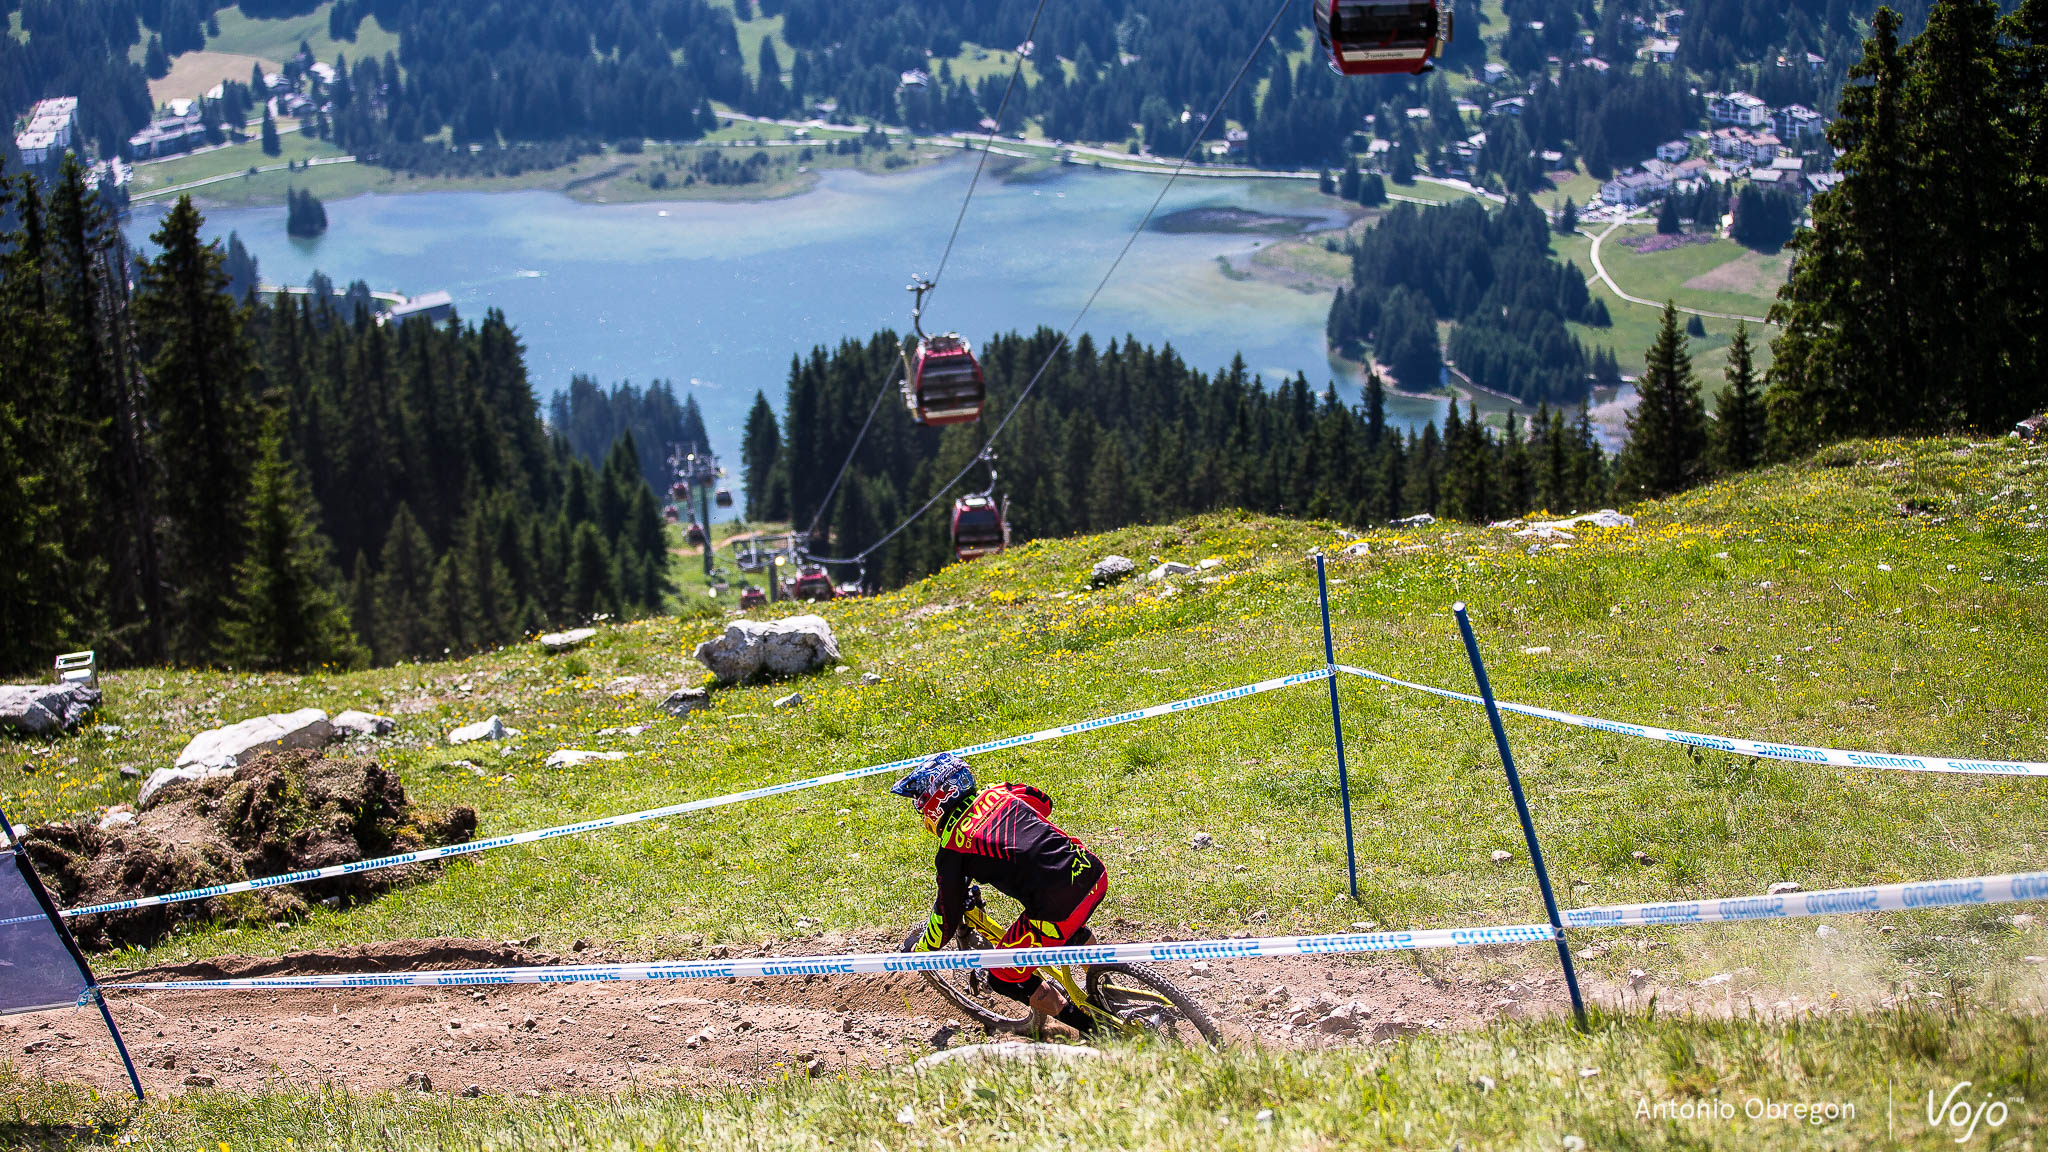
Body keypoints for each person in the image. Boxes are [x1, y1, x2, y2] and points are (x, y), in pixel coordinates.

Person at [891, 752, 1105, 1034]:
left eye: (921, 804)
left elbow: (945, 921)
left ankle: (1094, 1030)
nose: (921, 812)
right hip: (1092, 871)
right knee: (1067, 921)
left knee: (1002, 976)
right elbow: (1044, 802)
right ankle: (1111, 988)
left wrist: (920, 952)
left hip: (1057, 908)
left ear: (936, 801)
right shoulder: (1000, 791)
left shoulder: (952, 849)